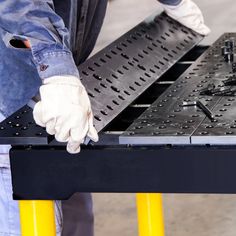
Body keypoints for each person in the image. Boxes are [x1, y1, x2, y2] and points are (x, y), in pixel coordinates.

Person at [0, 0, 210, 235]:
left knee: (75, 214)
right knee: (27, 216)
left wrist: (175, 3)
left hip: (67, 92)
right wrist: (59, 74)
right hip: (11, 96)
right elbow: (19, 6)